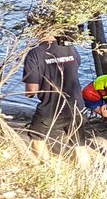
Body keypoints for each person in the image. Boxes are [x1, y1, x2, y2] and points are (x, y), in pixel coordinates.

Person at [22, 26, 87, 165]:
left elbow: (31, 91)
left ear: (39, 30)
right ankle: (84, 172)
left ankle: (45, 166)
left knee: (36, 136)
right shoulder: (71, 49)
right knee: (79, 144)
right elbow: (77, 67)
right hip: (76, 105)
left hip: (50, 107)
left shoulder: (35, 53)